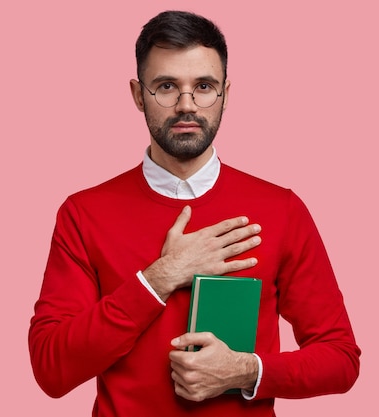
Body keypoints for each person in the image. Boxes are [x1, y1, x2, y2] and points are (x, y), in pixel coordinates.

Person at [29, 10, 360, 416]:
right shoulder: (83, 214)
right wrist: (159, 277)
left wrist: (245, 371)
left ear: (225, 93)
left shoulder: (282, 209)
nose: (187, 105)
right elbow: (51, 369)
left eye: (203, 86)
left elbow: (341, 359)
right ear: (137, 94)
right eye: (166, 86)